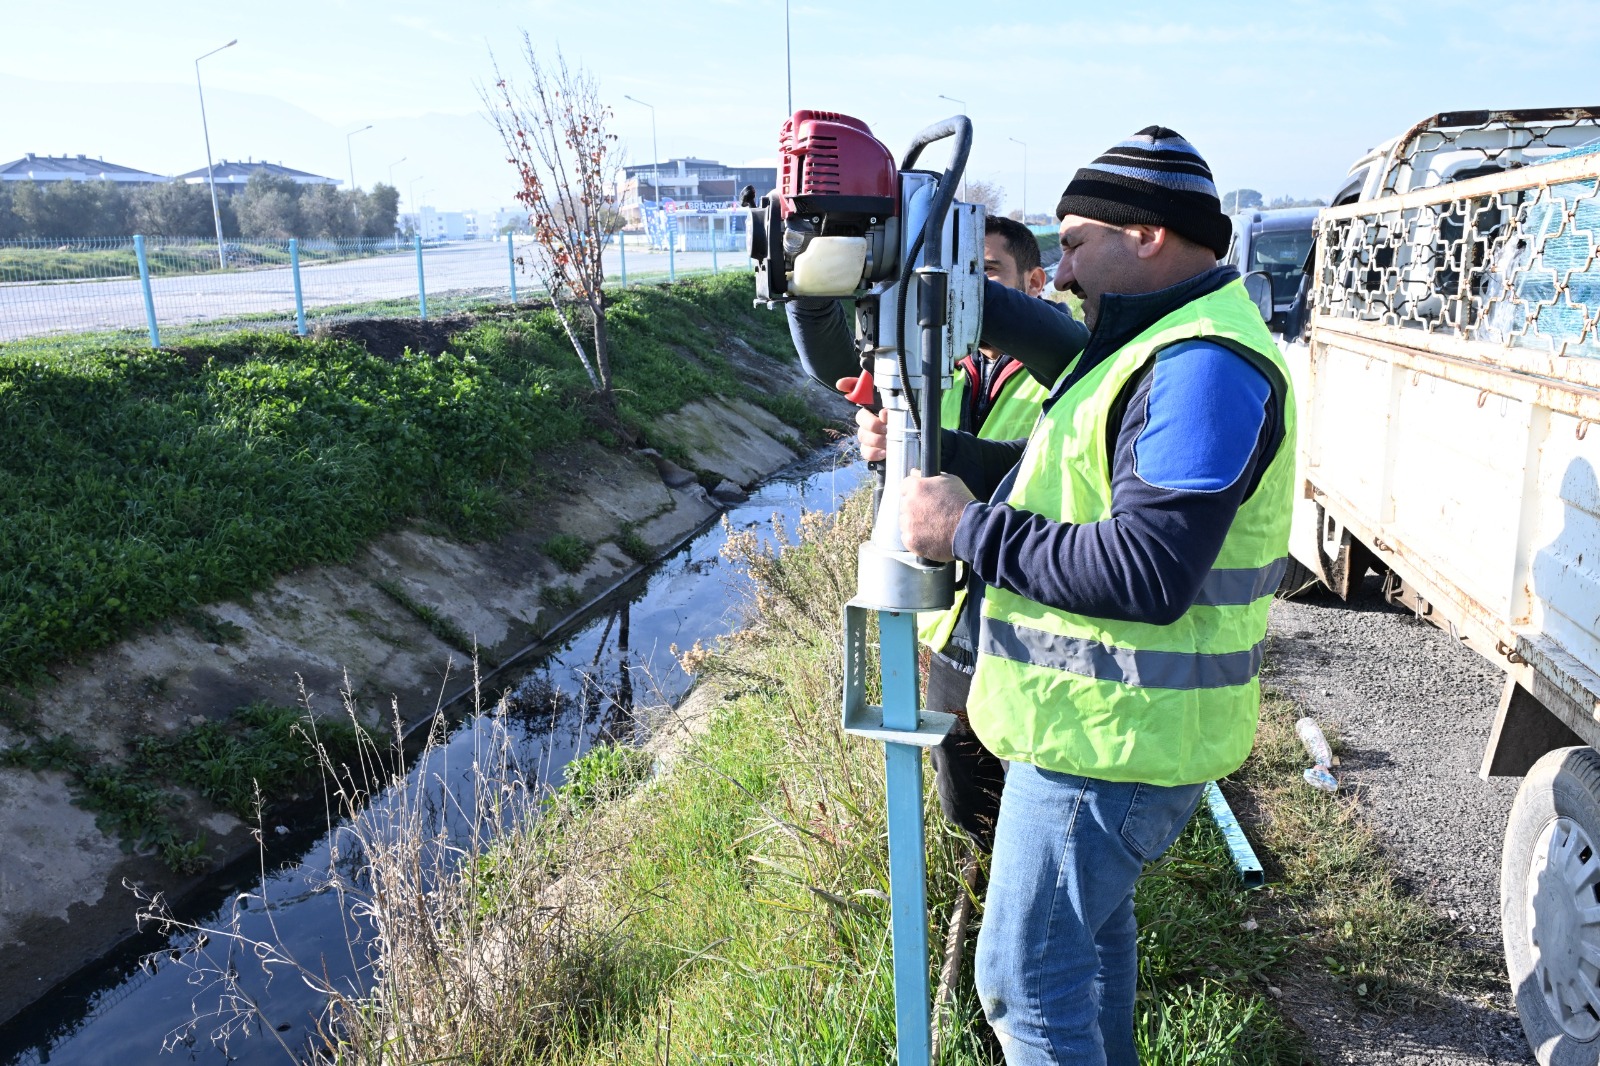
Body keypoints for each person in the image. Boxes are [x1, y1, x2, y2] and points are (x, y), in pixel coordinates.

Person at [858, 127, 1297, 1065]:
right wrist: (942, 473)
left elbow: (1149, 569)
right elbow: (1058, 484)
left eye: (1074, 240)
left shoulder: (1203, 364)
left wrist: (966, 532)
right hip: (1096, 730)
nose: (1058, 272)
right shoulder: (1146, 349)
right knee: (1087, 959)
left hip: (1115, 743)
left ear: (1147, 236)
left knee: (1023, 984)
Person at [918, 215, 1053, 853]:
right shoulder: (949, 366)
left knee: (1024, 776)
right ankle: (973, 883)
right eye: (964, 275)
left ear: (1035, 281)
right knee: (959, 769)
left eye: (988, 274)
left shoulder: (1065, 366)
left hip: (1021, 607)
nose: (973, 290)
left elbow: (1028, 466)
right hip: (949, 613)